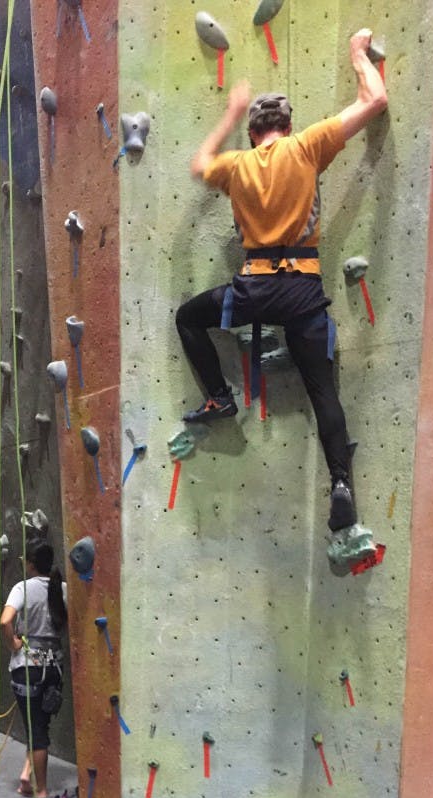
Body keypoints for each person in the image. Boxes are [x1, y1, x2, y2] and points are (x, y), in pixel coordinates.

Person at [176, 28, 388, 532]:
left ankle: (219, 397)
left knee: (188, 318)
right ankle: (340, 484)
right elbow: (375, 100)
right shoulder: (308, 146)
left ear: (253, 133)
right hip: (302, 292)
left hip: (252, 290)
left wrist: (230, 113)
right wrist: (357, 50)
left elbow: (198, 163)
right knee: (323, 393)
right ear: (288, 126)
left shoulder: (237, 165)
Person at [0, 541, 67, 798]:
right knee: (40, 723)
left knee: (35, 728)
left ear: (29, 563)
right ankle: (26, 775)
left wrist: (13, 644)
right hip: (53, 667)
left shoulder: (23, 588)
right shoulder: (62, 588)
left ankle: (40, 790)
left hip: (27, 666)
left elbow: (6, 621)